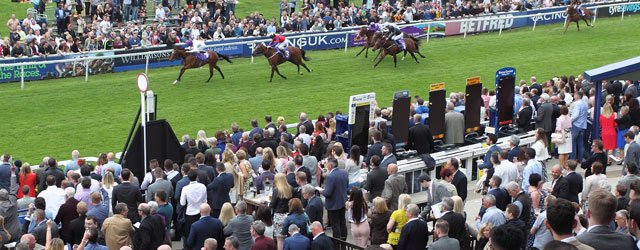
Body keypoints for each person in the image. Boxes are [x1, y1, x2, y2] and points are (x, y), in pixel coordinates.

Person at [320, 158, 348, 240]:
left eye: (326, 163)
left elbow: (328, 193)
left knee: (335, 225)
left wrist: (322, 191)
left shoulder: (331, 176)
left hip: (333, 204)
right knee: (342, 221)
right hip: (342, 201)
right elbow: (346, 186)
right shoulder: (344, 172)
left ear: (330, 165)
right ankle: (343, 240)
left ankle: (337, 242)